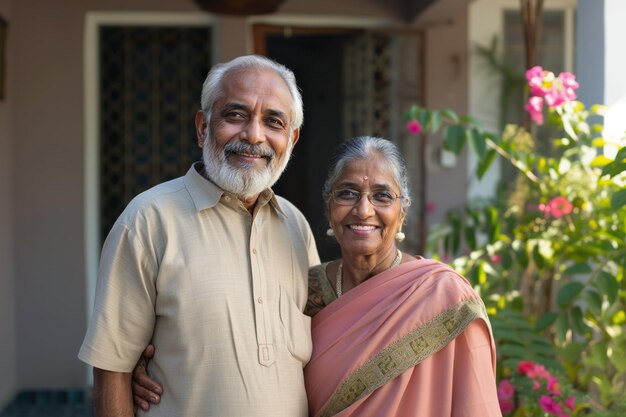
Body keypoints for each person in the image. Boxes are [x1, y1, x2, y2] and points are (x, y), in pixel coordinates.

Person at [133, 136, 503, 416]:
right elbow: (238, 353)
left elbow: (477, 404)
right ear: (328, 207)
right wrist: (157, 365)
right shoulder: (303, 290)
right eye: (348, 193)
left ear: (402, 211)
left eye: (381, 196)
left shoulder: (446, 299)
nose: (363, 210)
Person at [78, 55, 320, 417]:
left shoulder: (296, 226)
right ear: (203, 127)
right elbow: (112, 368)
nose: (254, 135)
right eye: (235, 115)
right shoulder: (148, 220)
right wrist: (133, 372)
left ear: (292, 138)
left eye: (273, 121)